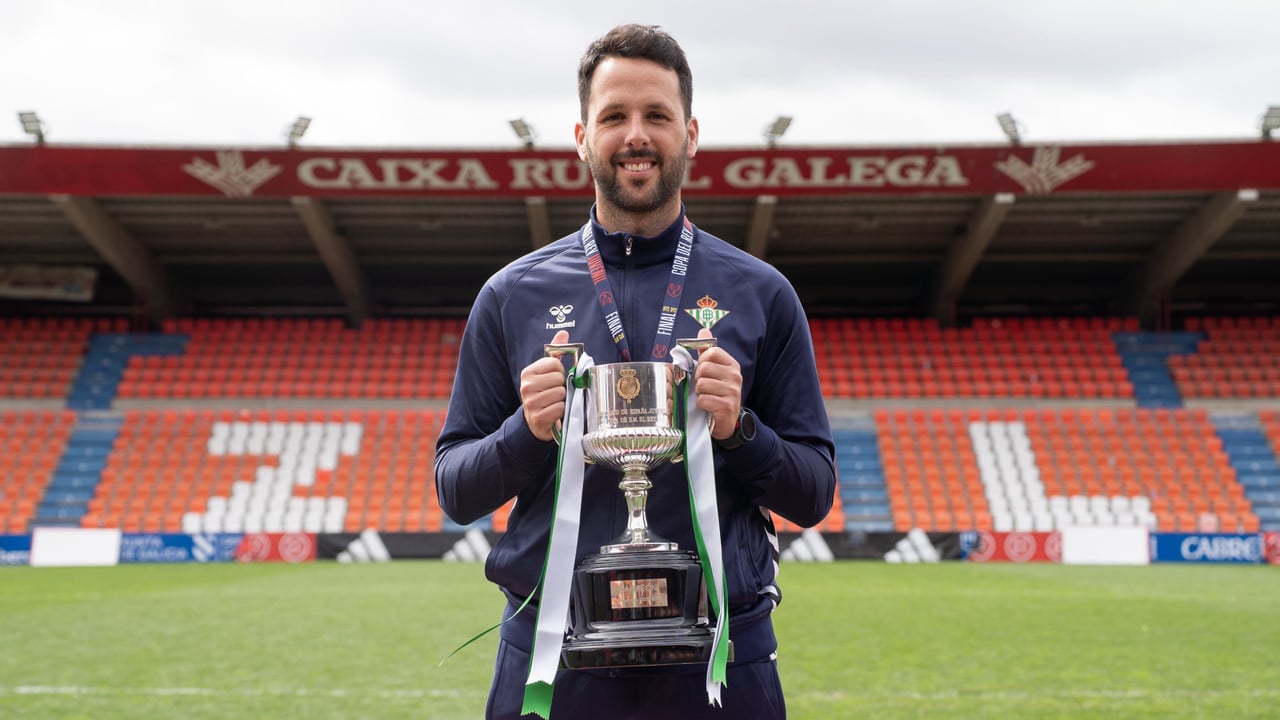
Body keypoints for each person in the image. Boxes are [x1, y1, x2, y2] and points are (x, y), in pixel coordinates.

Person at [435, 23, 836, 720]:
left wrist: (741, 431)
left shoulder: (762, 293)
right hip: (552, 663)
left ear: (691, 132)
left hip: (720, 663)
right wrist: (523, 433)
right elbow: (455, 489)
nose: (637, 135)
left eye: (657, 115)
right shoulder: (511, 295)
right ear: (582, 136)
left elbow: (813, 494)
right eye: (614, 116)